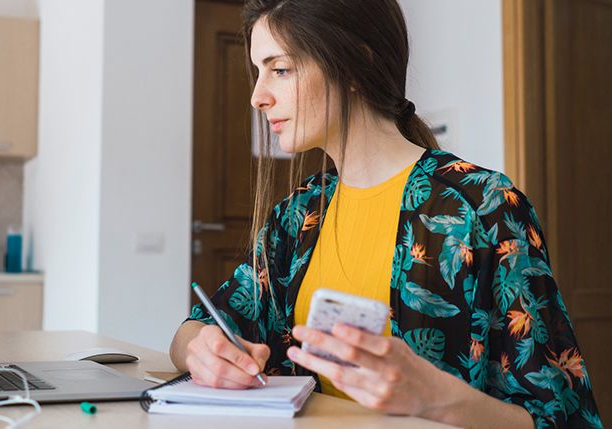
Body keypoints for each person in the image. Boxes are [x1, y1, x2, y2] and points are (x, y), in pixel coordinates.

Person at [170, 0, 602, 428]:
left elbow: (559, 416)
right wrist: (199, 350)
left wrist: (434, 401)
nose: (257, 96)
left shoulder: (482, 207)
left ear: (357, 63)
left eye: (279, 69)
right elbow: (198, 327)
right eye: (259, 71)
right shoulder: (298, 216)